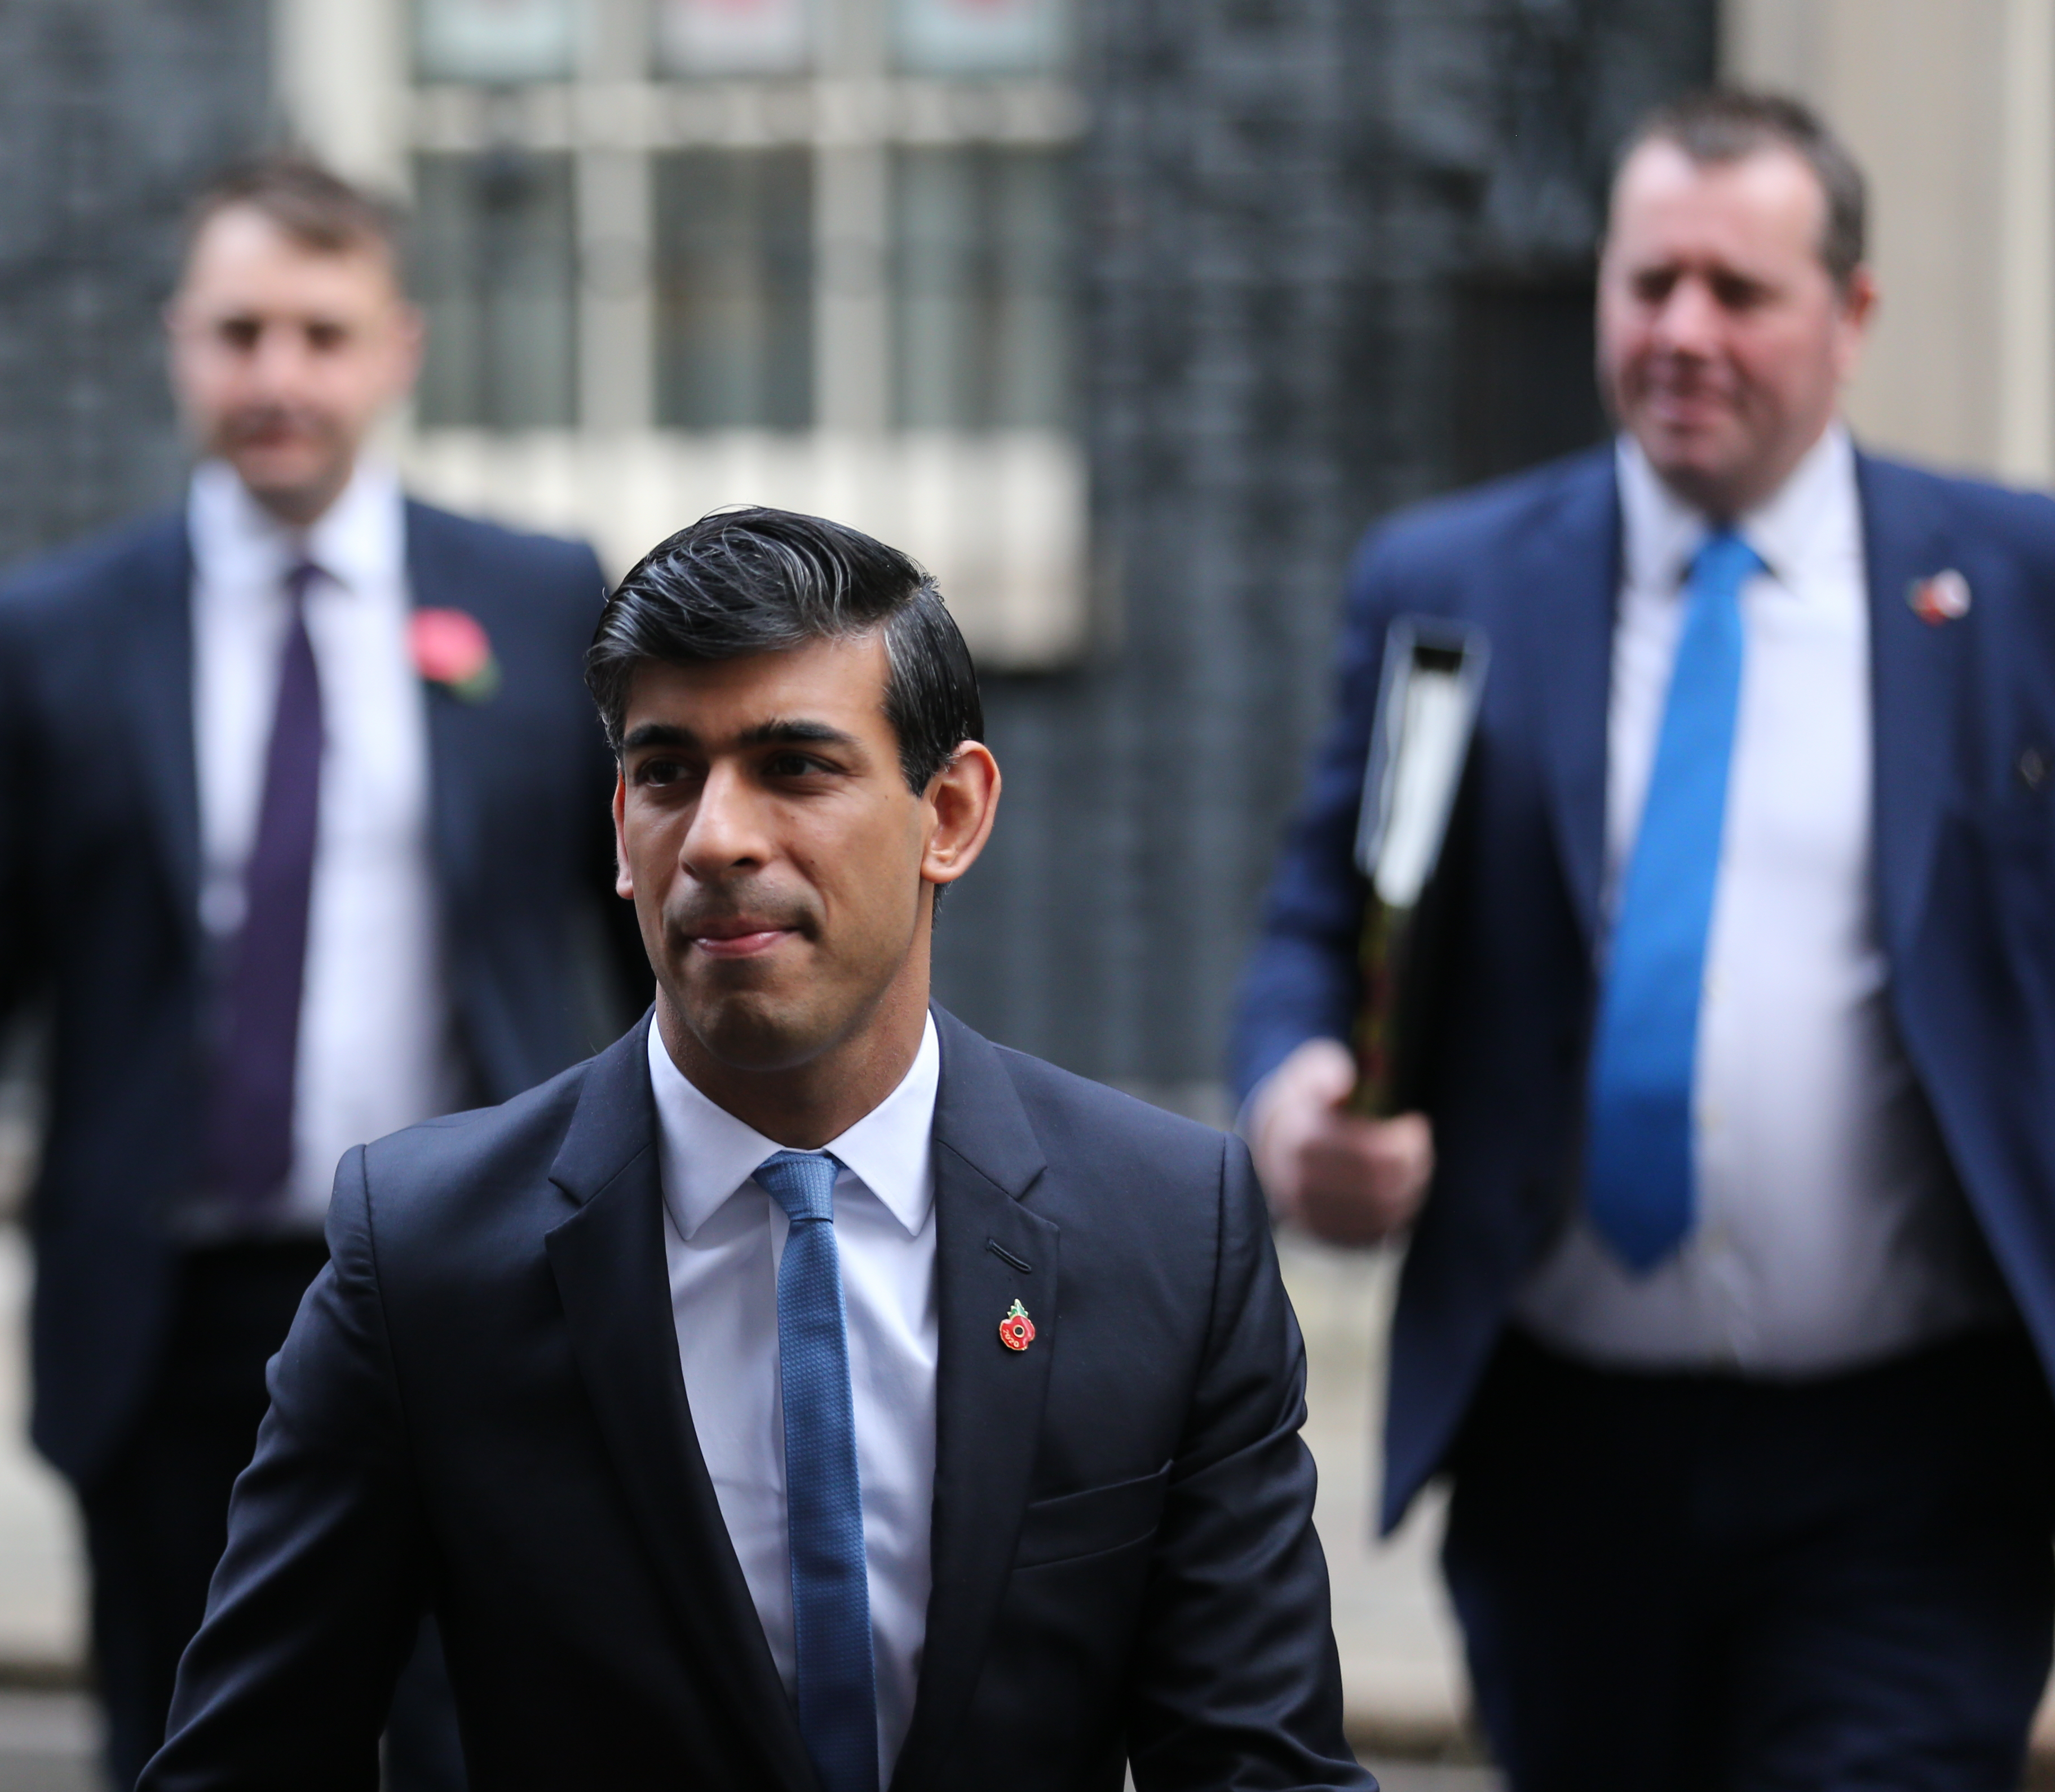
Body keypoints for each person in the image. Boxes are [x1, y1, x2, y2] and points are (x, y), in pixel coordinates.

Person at [137, 508, 1375, 1792]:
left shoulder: (1172, 1231)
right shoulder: (423, 1256)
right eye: (668, 773)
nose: (719, 838)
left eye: (795, 767)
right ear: (620, 825)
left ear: (948, 812)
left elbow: (1258, 1768)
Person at [0, 154, 640, 1790]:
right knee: (195, 1750)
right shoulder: (53, 631)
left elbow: (646, 931)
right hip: (169, 1322)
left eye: (320, 335)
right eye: (239, 332)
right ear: (180, 343)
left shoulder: (536, 599)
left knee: (484, 1749)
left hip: (474, 1296)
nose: (278, 378)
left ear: (399, 347)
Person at [1232, 86, 2055, 1791]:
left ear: (1852, 315)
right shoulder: (1445, 577)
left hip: (1914, 1457)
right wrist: (1298, 1096)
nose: (1681, 331)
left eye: (1736, 293)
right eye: (1646, 281)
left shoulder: (2008, 583)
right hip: (1563, 1450)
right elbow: (1328, 902)